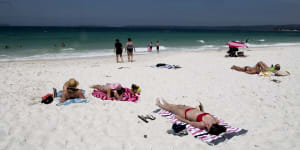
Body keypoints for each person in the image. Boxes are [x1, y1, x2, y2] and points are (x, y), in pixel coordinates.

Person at [156, 98, 226, 135]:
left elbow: (190, 122)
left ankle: (160, 104)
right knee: (179, 106)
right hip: (192, 109)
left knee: (172, 109)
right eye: (208, 127)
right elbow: (218, 122)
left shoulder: (203, 124)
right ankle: (167, 103)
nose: (206, 127)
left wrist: (180, 118)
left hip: (185, 114)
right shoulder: (215, 121)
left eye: (207, 129)